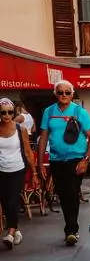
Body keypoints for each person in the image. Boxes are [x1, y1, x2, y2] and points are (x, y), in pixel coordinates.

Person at [37, 81, 90, 246]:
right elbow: (43, 137)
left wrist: (86, 160)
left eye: (67, 93)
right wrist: (41, 162)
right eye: (60, 92)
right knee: (63, 195)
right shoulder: (49, 112)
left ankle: (72, 230)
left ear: (72, 94)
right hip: (56, 159)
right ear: (55, 94)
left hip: (76, 159)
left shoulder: (79, 112)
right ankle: (69, 227)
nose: (64, 95)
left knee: (72, 192)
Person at [0, 98, 37, 249]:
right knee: (4, 201)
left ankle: (10, 233)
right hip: (1, 169)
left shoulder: (20, 129)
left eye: (10, 112)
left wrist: (34, 172)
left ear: (14, 113)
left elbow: (28, 152)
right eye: (3, 113)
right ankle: (16, 230)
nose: (7, 115)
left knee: (12, 201)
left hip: (17, 169)